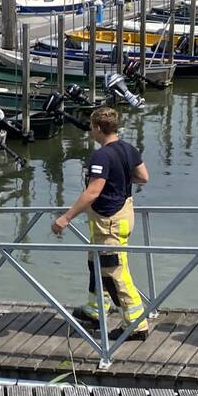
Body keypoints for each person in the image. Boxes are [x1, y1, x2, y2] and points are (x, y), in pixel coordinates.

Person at [52, 107, 150, 341]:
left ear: (97, 128)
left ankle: (136, 325)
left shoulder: (102, 155)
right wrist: (121, 180)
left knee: (114, 271)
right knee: (95, 263)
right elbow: (143, 178)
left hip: (109, 220)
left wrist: (65, 218)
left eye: (91, 127)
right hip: (122, 213)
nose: (90, 131)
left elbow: (93, 191)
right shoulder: (129, 149)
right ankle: (96, 310)